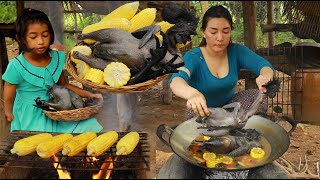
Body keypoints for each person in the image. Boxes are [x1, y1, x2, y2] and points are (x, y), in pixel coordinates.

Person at [158, 5, 289, 179]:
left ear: (231, 32)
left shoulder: (236, 51)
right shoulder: (194, 56)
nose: (220, 38)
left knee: (253, 95)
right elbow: (176, 80)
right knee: (198, 138)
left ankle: (239, 137)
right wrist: (192, 94)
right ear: (204, 32)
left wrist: (265, 76)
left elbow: (265, 66)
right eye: (213, 32)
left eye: (225, 31)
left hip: (229, 111)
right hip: (203, 112)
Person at [2, 8, 103, 133]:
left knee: (89, 125)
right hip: (30, 115)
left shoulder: (56, 58)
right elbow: (8, 97)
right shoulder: (16, 66)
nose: (40, 41)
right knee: (40, 141)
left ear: (51, 34)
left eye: (45, 35)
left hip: (56, 108)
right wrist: (8, 113)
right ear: (21, 39)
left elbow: (64, 85)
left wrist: (90, 95)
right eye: (33, 37)